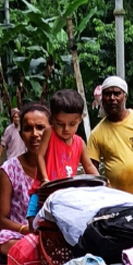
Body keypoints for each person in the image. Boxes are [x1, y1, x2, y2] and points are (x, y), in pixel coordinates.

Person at [0, 104, 48, 263]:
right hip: (20, 236)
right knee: (4, 242)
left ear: (51, 132)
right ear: (21, 134)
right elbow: (1, 222)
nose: (35, 134)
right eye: (28, 129)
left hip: (51, 235)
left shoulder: (61, 166)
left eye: (40, 127)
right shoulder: (9, 169)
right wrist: (27, 230)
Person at [26, 89, 100, 218]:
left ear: (80, 120)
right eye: (60, 124)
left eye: (72, 124)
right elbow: (40, 156)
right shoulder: (49, 133)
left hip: (65, 196)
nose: (66, 129)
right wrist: (44, 179)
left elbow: (89, 166)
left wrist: (101, 182)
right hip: (42, 190)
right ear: (52, 120)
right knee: (33, 221)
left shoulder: (79, 143)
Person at [87, 75, 133, 197]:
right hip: (116, 200)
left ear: (125, 96)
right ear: (102, 99)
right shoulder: (96, 134)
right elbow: (91, 170)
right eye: (107, 94)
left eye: (116, 93)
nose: (112, 98)